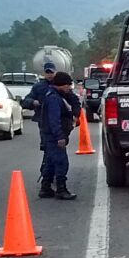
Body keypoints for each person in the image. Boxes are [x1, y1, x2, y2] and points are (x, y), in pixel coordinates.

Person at [38, 71, 78, 200]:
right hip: (54, 136)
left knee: (50, 161)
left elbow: (75, 102)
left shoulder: (55, 95)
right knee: (61, 162)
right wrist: (60, 136)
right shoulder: (54, 98)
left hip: (50, 135)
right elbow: (54, 120)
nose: (69, 88)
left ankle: (45, 188)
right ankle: (61, 189)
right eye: (67, 85)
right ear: (61, 85)